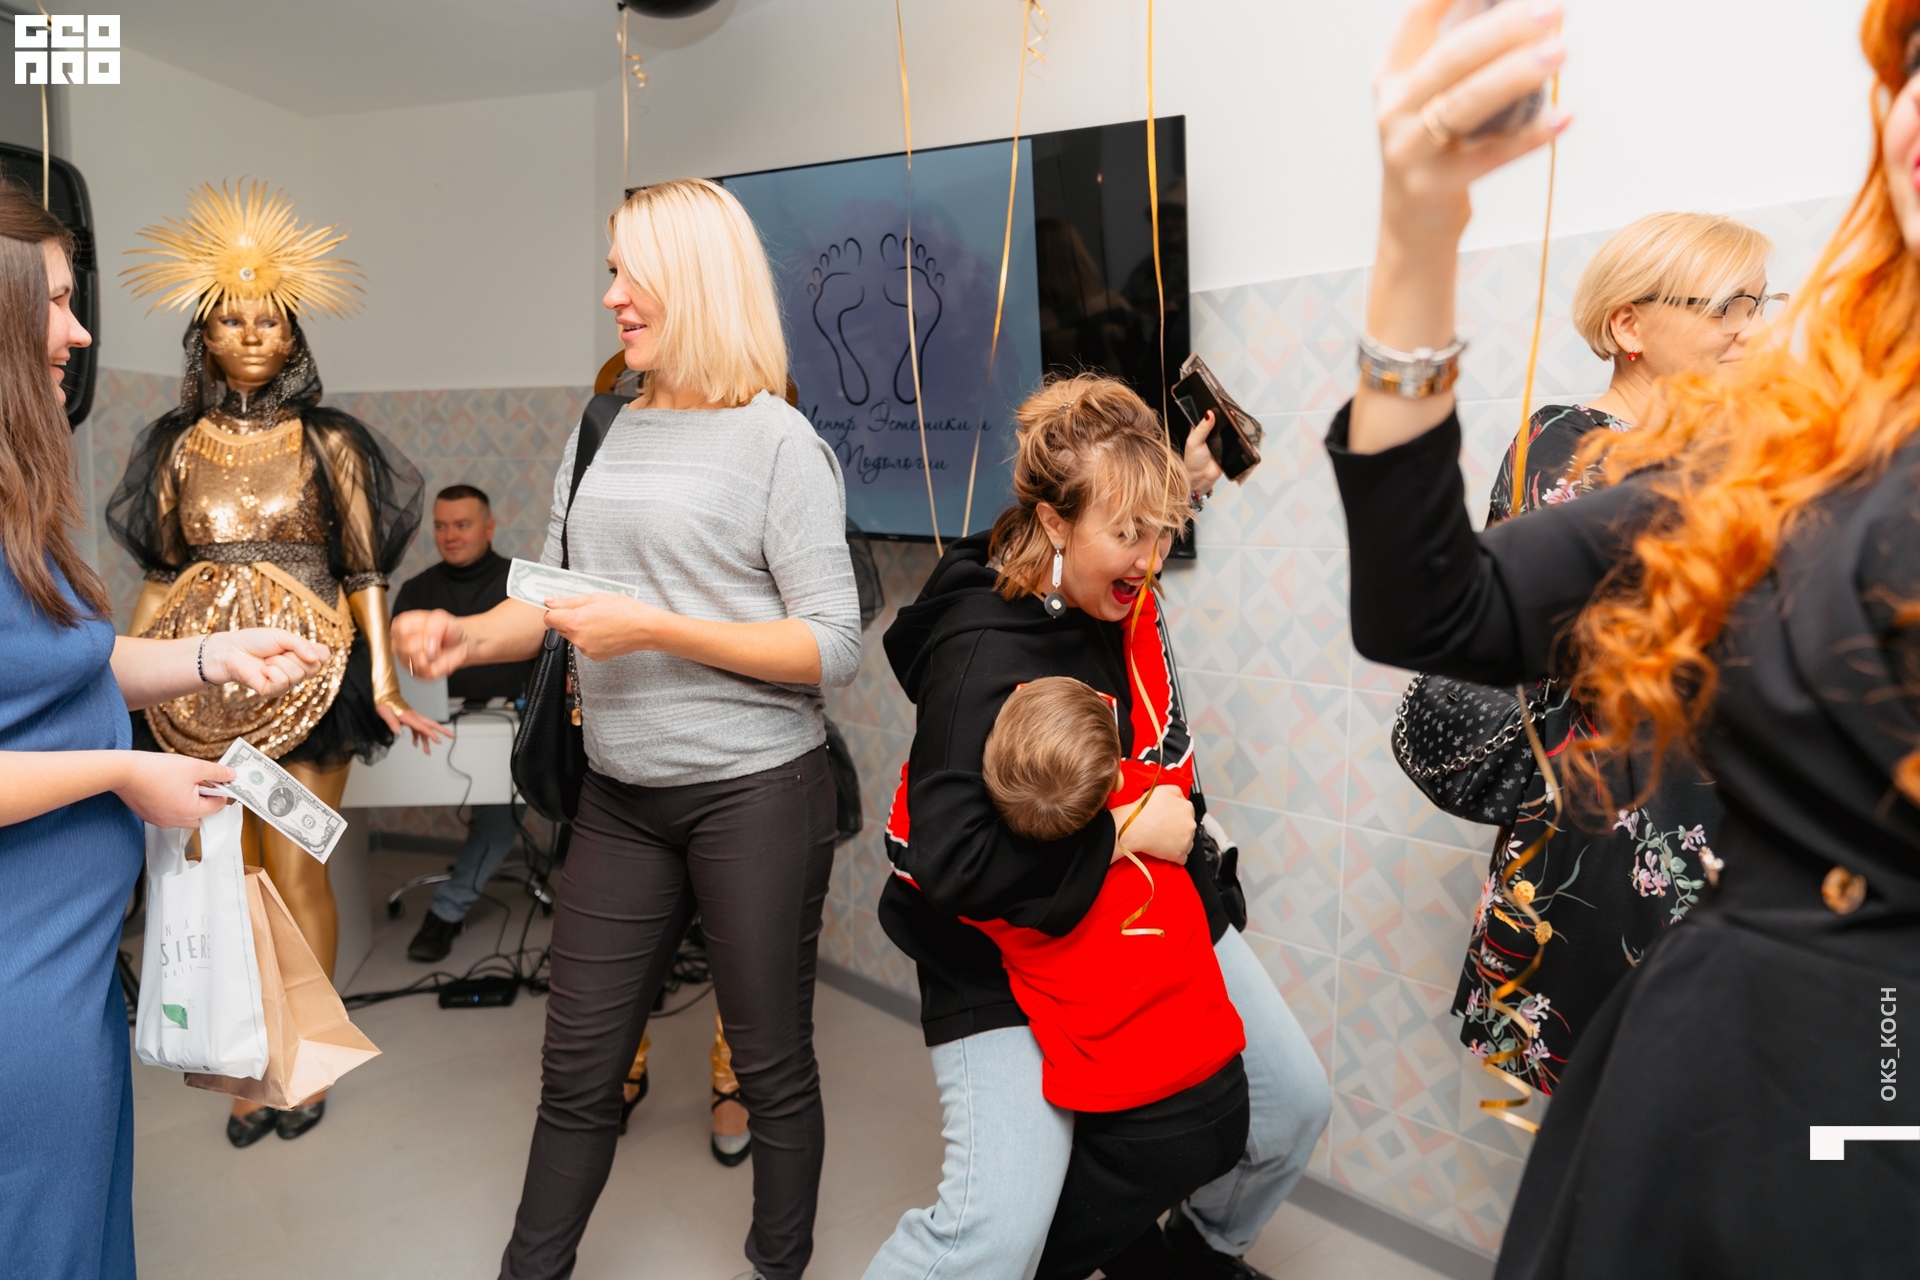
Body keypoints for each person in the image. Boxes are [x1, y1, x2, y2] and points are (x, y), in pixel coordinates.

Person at [1334, 1, 1920, 1273]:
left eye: (1760, 302)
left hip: (1866, 1045)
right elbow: (1430, 605)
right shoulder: (1769, 461)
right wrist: (1418, 230)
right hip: (1682, 978)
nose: (1751, 326)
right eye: (1914, 61)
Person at [392, 177, 860, 1280]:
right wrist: (467, 634)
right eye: (610, 272)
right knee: (576, 1071)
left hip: (757, 794)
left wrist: (657, 626)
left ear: (697, 281)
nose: (610, 296)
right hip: (618, 796)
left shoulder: (780, 442)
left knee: (771, 1067)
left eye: (630, 274)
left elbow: (831, 644)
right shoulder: (604, 425)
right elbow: (555, 594)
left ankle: (778, 1264)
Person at [865, 374, 1330, 1280]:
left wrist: (1180, 482)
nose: (1150, 560)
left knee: (1291, 1110)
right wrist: (1124, 830)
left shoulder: (1103, 577)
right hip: (996, 936)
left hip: (1138, 891)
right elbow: (955, 863)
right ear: (1052, 523)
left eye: (1164, 531)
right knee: (995, 1235)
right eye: (1129, 534)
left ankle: (1194, 1259)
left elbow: (1134, 513)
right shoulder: (981, 654)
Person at [0, 180, 328, 1280]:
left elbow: (65, 658)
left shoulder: (14, 487)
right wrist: (122, 771)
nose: (80, 333)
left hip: (72, 963)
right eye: (55, 302)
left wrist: (209, 655)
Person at [105, 180, 438, 1146]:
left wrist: (383, 682)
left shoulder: (330, 442)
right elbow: (161, 578)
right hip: (199, 686)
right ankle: (250, 1055)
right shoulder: (175, 447)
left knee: (296, 869)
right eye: (230, 319)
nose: (251, 334)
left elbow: (365, 568)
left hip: (310, 677)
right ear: (203, 338)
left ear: (294, 335)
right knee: (231, 877)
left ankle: (305, 1062)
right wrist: (116, 674)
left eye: (270, 319)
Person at [1450, 213, 1779, 1095]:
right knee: (1611, 1121)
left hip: (1721, 833)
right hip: (1606, 843)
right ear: (1630, 326)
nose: (1750, 328)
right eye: (1726, 306)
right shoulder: (1565, 447)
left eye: (1758, 303)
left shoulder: (1730, 454)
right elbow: (1603, 635)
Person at [973, 675, 1250, 1278]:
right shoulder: (1159, 808)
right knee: (1123, 1234)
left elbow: (942, 867)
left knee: (1033, 1259)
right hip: (1228, 1099)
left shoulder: (1010, 908)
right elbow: (1157, 769)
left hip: (1134, 1132)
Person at [393, 484, 534, 963]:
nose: (450, 535)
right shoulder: (417, 593)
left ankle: (446, 911)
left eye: (462, 524)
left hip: (508, 724)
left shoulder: (521, 589)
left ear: (489, 528)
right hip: (430, 727)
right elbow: (398, 673)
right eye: (441, 526)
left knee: (498, 811)